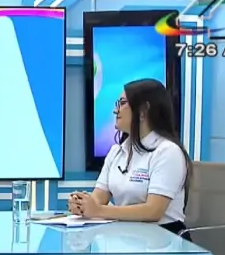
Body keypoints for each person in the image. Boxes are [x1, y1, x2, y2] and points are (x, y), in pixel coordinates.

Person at [69, 78, 192, 236]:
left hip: (164, 238)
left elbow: (153, 211)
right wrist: (82, 205)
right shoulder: (117, 151)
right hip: (127, 236)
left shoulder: (168, 151)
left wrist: (98, 210)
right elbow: (98, 199)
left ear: (143, 110)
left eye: (122, 103)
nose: (116, 111)